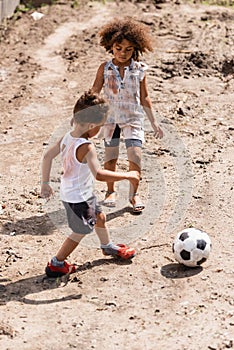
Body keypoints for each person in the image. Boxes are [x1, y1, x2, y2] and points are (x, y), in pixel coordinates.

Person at [41, 91, 139, 278]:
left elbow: (47, 156)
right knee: (80, 230)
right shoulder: (87, 147)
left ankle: (107, 246)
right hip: (78, 198)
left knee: (99, 217)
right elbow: (99, 174)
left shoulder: (67, 137)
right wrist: (127, 175)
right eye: (100, 127)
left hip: (75, 193)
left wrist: (45, 183)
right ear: (92, 126)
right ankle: (57, 263)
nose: (100, 131)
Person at [91, 17, 163, 213]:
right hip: (110, 121)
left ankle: (133, 194)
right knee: (111, 158)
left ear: (136, 49)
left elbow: (145, 97)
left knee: (135, 157)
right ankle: (110, 191)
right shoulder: (104, 69)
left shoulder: (140, 70)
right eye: (118, 48)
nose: (123, 53)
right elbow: (95, 91)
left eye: (128, 49)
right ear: (111, 47)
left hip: (133, 119)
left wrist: (154, 122)